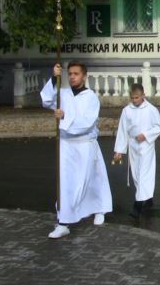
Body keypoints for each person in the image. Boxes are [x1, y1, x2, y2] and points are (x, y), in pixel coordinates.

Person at [41, 62, 112, 239]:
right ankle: (63, 222)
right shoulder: (63, 93)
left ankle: (99, 208)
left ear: (84, 76)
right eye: (70, 74)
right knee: (66, 183)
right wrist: (53, 78)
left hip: (85, 144)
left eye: (76, 74)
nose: (72, 77)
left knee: (90, 180)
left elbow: (87, 123)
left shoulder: (91, 98)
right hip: (66, 146)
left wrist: (65, 116)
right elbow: (46, 100)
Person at [114, 84, 160, 218]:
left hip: (146, 146)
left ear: (143, 96)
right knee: (136, 175)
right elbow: (123, 130)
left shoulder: (151, 109)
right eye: (132, 98)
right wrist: (119, 150)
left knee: (144, 174)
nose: (134, 100)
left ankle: (137, 205)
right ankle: (147, 198)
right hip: (133, 146)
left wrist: (146, 135)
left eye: (137, 97)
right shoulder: (127, 110)